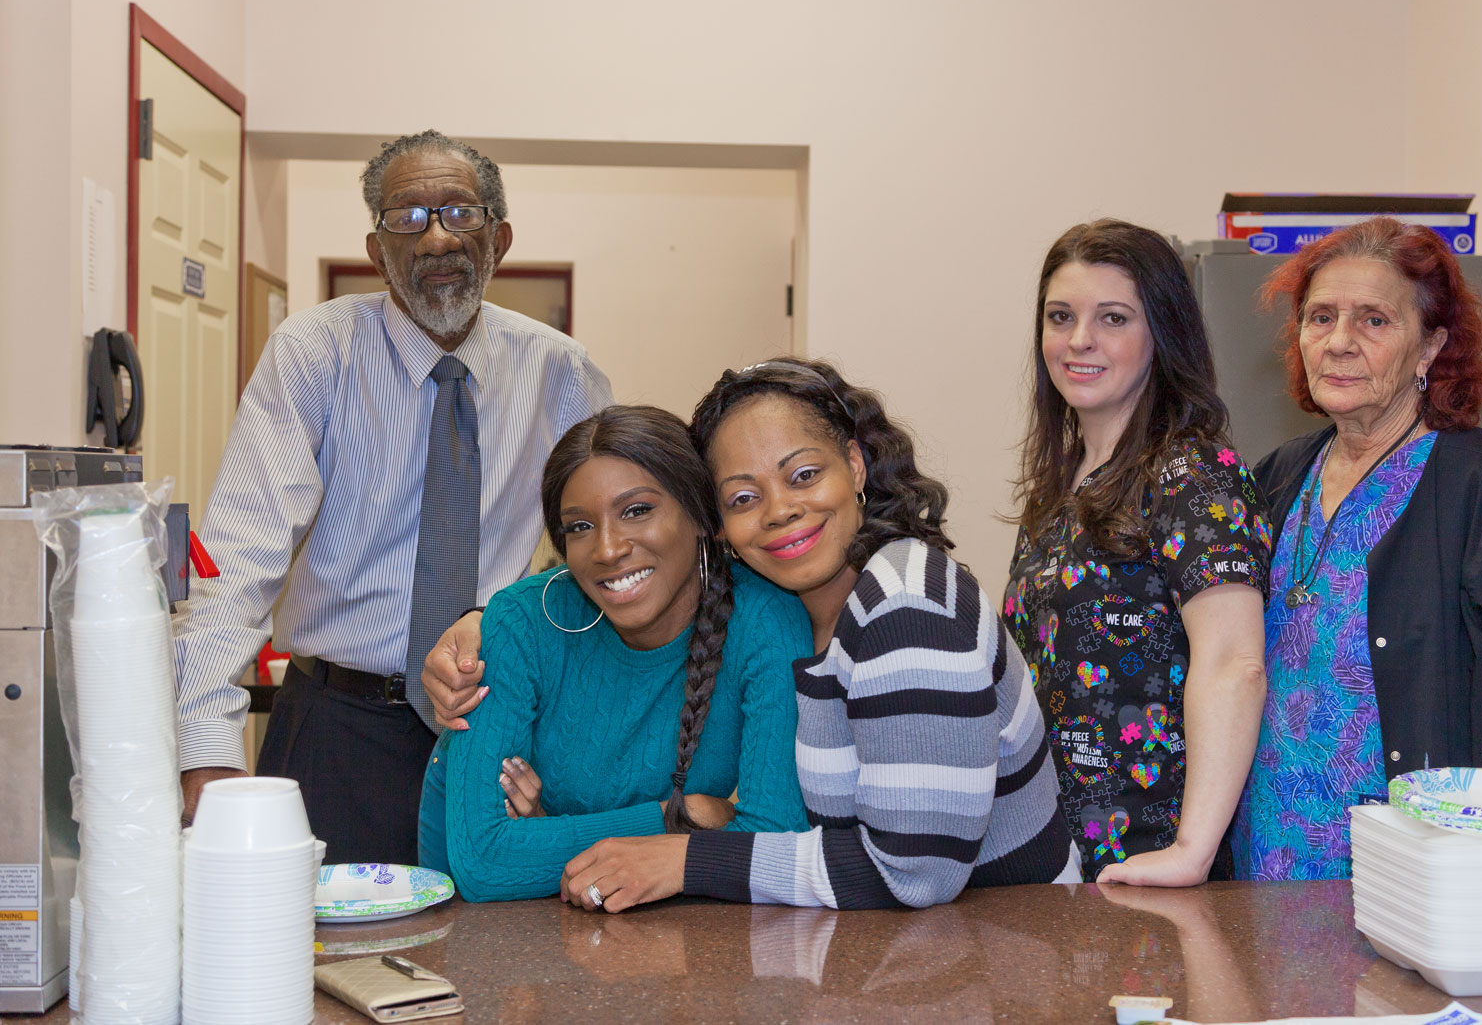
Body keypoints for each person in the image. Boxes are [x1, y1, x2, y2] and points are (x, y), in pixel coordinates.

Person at [171, 130, 612, 865]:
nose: (437, 237)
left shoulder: (561, 372)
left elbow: (600, 555)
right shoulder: (312, 354)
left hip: (498, 725)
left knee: (504, 934)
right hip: (336, 731)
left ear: (499, 239)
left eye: (460, 213)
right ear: (377, 252)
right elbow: (237, 556)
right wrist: (206, 748)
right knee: (313, 933)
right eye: (407, 217)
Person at [555, 358, 1080, 911]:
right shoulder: (788, 616)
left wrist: (685, 860)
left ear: (854, 466)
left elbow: (916, 873)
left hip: (1019, 942)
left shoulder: (905, 604)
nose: (780, 510)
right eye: (743, 498)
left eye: (803, 475)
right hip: (898, 946)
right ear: (719, 525)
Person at [1234, 217, 1482, 881]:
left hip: (1411, 886)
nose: (1339, 341)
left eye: (1374, 320)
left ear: (1430, 347)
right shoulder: (1277, 476)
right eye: (1321, 317)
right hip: (1260, 873)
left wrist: (1477, 857)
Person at [421, 406, 812, 900]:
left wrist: (552, 836)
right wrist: (679, 818)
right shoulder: (521, 621)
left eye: (636, 510)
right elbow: (484, 860)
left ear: (702, 516)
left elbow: (775, 839)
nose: (607, 549)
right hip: (481, 925)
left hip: (655, 925)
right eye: (580, 526)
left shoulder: (766, 619)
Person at [1003, 219, 1270, 887]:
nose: (1079, 340)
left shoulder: (1193, 474)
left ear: (1162, 334)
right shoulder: (1060, 488)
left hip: (1151, 864)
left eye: (1113, 318)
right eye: (1060, 317)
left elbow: (1234, 663)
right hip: (1059, 865)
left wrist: (1191, 852)